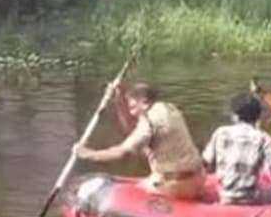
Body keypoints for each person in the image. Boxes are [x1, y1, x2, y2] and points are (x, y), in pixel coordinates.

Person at [73, 83, 208, 202]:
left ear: (144, 102)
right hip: (198, 178)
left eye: (132, 107)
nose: (131, 113)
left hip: (177, 185)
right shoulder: (168, 108)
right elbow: (133, 131)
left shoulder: (150, 122)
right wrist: (118, 101)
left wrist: (87, 154)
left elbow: (122, 152)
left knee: (132, 193)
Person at [202, 93, 271, 207]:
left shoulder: (220, 133)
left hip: (225, 195)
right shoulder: (264, 138)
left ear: (234, 116)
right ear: (258, 117)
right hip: (251, 198)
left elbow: (206, 164)